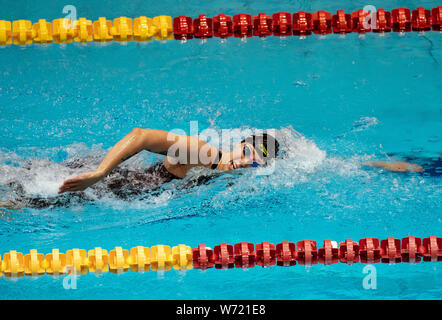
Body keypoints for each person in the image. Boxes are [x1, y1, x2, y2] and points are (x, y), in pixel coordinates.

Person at [0, 127, 423, 209]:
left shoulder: (230, 172)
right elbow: (140, 136)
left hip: (105, 193)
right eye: (246, 151)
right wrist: (96, 174)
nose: (245, 161)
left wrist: (389, 166)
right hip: (97, 185)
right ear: (237, 144)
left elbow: (327, 167)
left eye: (256, 161)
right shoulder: (204, 154)